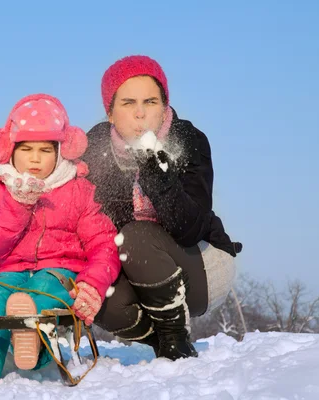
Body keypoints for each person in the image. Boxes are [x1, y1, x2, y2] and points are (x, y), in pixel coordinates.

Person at [81, 55, 242, 361]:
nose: (140, 113)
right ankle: (164, 339)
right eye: (128, 103)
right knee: (100, 297)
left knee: (136, 236)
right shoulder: (95, 149)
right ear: (110, 113)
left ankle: (175, 340)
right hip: (134, 270)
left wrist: (155, 172)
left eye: (151, 102)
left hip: (202, 266)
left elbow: (190, 228)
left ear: (165, 106)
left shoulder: (189, 140)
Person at [0, 93, 121, 392]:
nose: (35, 158)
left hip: (58, 272)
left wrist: (92, 284)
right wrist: (17, 204)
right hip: (6, 275)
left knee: (43, 293)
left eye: (45, 150)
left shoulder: (78, 190)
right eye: (27, 149)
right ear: (10, 150)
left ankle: (35, 342)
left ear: (60, 151)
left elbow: (103, 244)